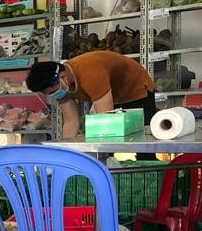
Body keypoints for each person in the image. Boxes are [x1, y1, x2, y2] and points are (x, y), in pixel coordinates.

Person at [27, 51, 158, 159]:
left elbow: (106, 121)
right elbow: (70, 121)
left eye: (53, 92)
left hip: (136, 88)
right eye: (49, 94)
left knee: (142, 145)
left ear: (63, 76)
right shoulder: (61, 87)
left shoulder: (91, 73)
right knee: (108, 154)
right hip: (112, 93)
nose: (54, 96)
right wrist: (67, 153)